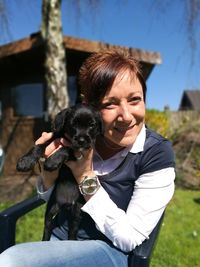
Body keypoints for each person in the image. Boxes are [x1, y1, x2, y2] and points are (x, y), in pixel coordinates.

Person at [0, 50, 175, 267]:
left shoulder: (156, 153)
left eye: (135, 100)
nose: (127, 116)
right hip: (56, 237)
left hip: (106, 248)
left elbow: (129, 238)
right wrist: (49, 168)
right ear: (90, 107)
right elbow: (46, 197)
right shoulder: (85, 132)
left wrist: (84, 175)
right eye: (110, 104)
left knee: (11, 261)